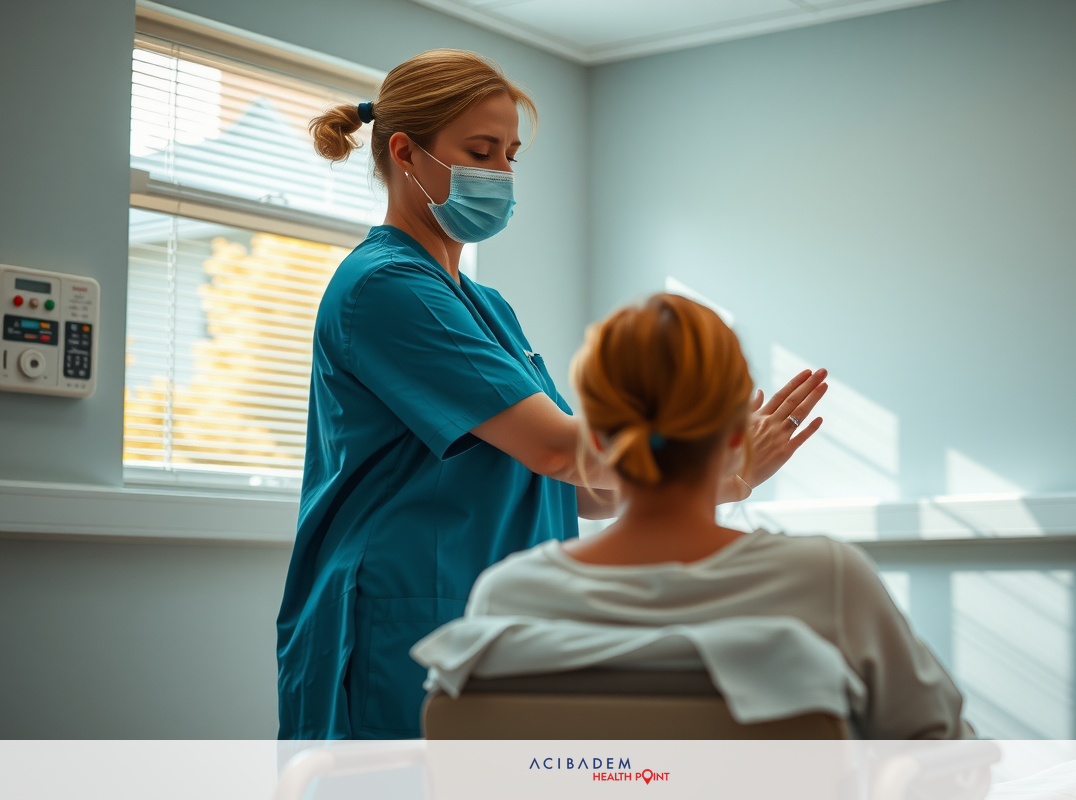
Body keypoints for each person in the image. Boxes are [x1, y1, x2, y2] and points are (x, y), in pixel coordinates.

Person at [277, 50, 827, 739]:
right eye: (481, 151)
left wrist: (726, 480)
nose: (502, 175)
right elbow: (557, 450)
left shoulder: (486, 306)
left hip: (501, 622)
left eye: (510, 155)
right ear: (405, 153)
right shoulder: (384, 289)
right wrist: (702, 441)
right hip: (404, 619)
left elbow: (580, 487)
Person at [463, 293, 969, 739]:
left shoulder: (506, 597)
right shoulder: (825, 581)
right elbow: (944, 751)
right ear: (735, 436)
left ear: (593, 438)